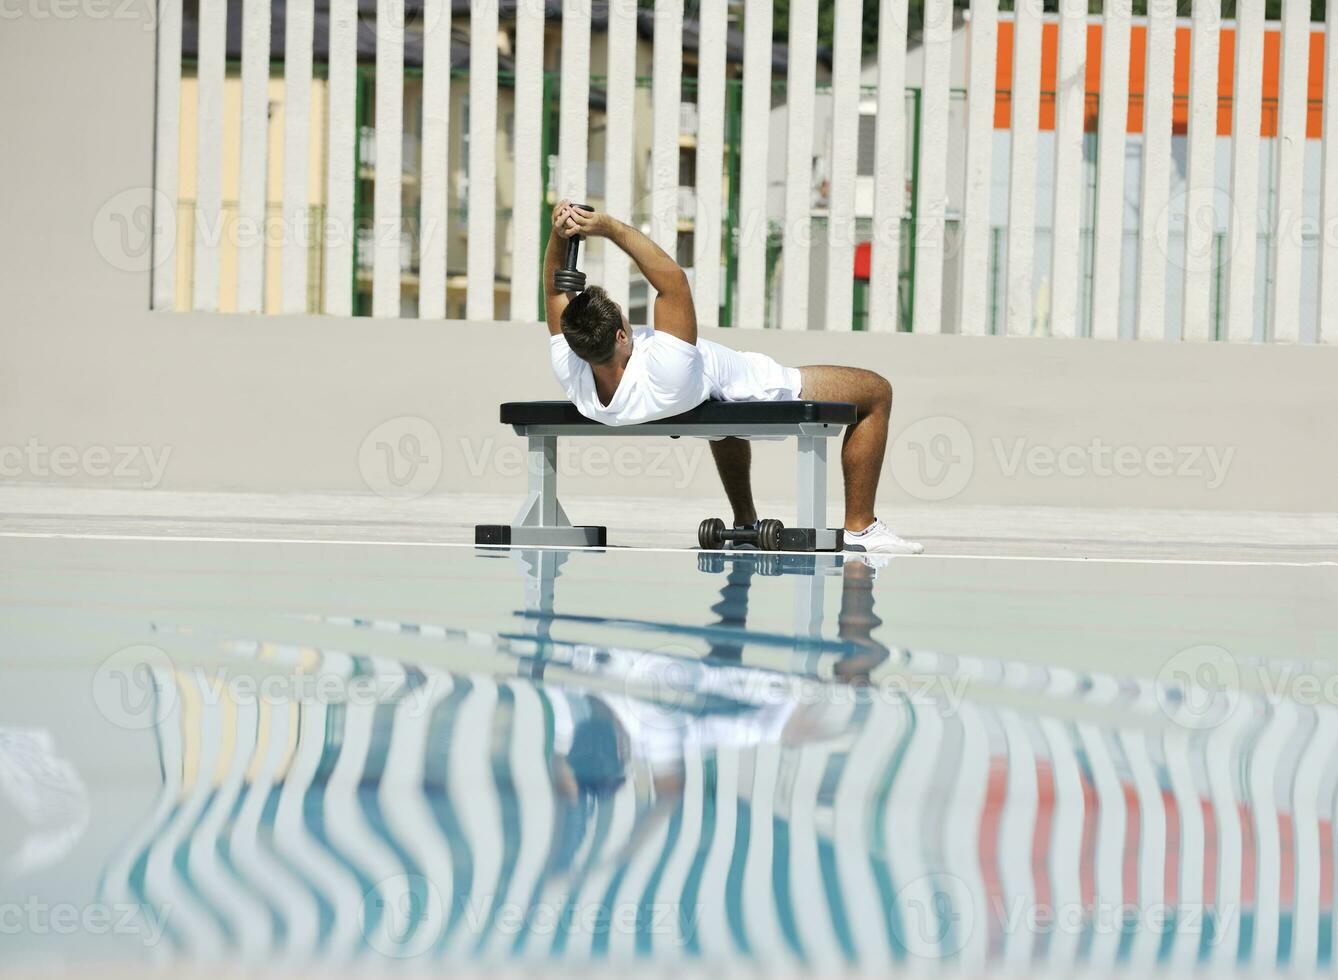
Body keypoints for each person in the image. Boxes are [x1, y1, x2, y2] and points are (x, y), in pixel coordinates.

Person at [543, 200, 923, 556]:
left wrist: (559, 234)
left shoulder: (573, 366)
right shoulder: (665, 368)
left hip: (697, 400)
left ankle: (745, 524)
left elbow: (553, 289)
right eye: (624, 317)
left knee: (719, 418)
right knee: (875, 392)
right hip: (751, 384)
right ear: (621, 336)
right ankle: (861, 528)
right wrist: (608, 227)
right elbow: (671, 281)